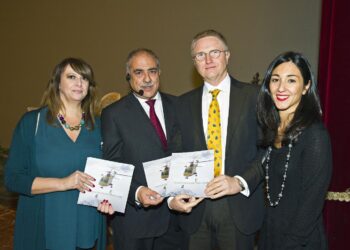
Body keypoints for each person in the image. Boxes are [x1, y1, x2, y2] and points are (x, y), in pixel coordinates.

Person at [5, 58, 112, 250]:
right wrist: (63, 183)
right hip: (45, 225)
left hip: (88, 225)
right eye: (72, 77)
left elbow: (108, 175)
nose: (79, 83)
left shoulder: (99, 125)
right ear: (57, 83)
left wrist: (108, 198)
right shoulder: (32, 123)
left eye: (84, 78)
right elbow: (13, 179)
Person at [229, 51, 332, 249]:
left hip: (299, 241)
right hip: (271, 234)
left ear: (306, 87)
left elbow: (311, 205)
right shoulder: (271, 129)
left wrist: (289, 244)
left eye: (291, 80)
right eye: (275, 80)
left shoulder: (315, 135)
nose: (281, 87)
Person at [101, 48, 199, 250]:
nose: (147, 78)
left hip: (177, 217)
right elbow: (113, 165)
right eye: (139, 72)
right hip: (135, 222)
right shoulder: (113, 114)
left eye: (152, 71)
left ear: (159, 74)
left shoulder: (179, 105)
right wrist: (136, 192)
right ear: (128, 76)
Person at [175, 29, 264, 250]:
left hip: (239, 208)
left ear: (227, 55)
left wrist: (239, 182)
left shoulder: (255, 97)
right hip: (195, 209)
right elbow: (174, 155)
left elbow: (269, 151)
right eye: (200, 55)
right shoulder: (182, 104)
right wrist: (173, 196)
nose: (208, 60)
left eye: (214, 52)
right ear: (194, 62)